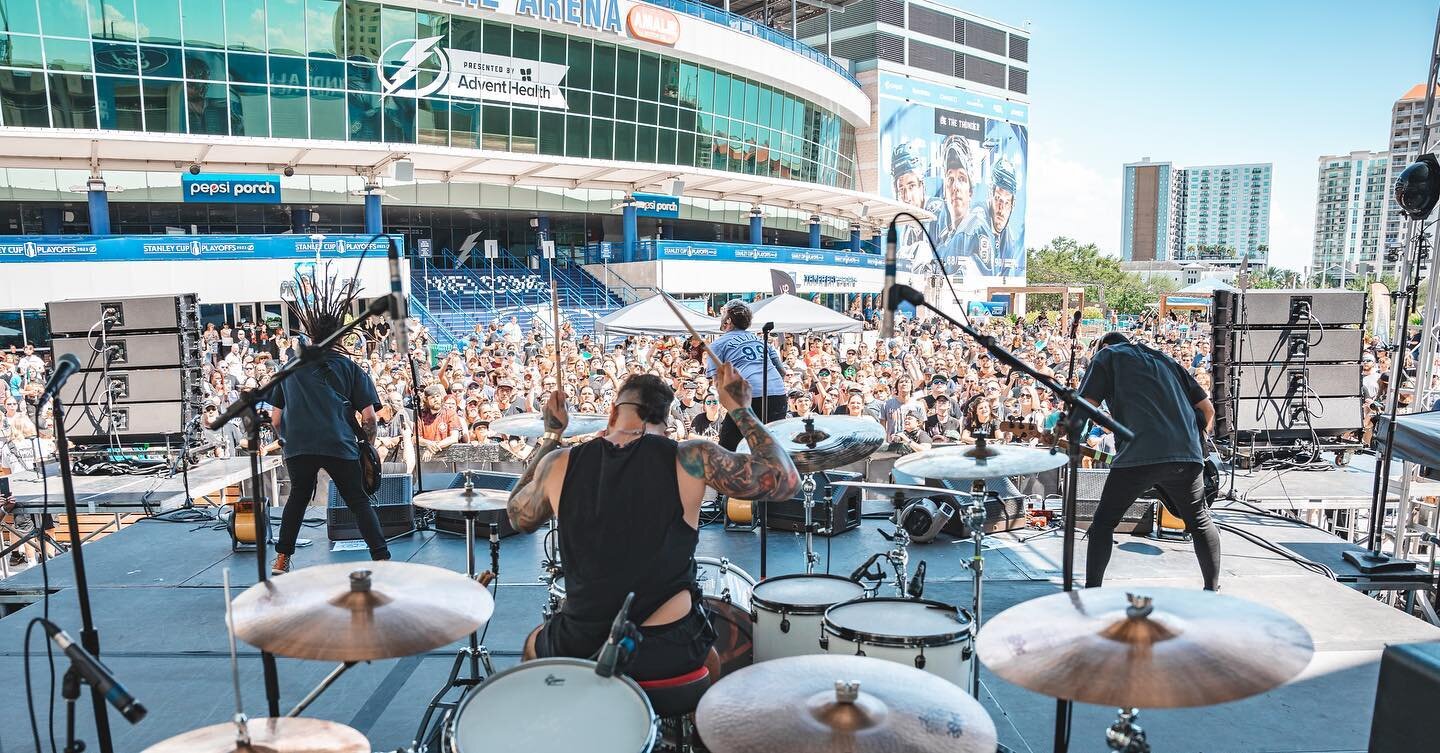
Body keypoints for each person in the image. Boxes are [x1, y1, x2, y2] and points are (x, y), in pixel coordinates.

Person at [507, 365, 800, 681]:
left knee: (532, 644)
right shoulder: (691, 456)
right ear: (666, 418)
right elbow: (785, 480)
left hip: (580, 643)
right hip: (671, 647)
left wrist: (551, 437)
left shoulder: (559, 463)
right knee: (712, 660)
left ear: (613, 412)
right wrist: (740, 410)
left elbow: (517, 515)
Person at [1078, 332, 1221, 591]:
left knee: (1103, 523)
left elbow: (1086, 405)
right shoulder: (1166, 360)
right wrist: (1196, 447)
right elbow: (1207, 410)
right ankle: (1212, 590)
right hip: (1187, 455)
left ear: (1104, 346)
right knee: (1200, 521)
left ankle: (1092, 591)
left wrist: (1103, 425)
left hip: (1139, 454)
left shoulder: (1107, 355)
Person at [268, 278, 391, 574]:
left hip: (299, 446)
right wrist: (368, 446)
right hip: (339, 444)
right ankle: (381, 558)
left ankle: (282, 559)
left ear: (310, 336)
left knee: (297, 498)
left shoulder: (288, 368)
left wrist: (286, 441)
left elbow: (275, 418)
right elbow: (370, 418)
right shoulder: (349, 368)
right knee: (358, 501)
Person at [706, 301, 788, 450]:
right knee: (770, 446)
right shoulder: (762, 341)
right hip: (778, 394)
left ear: (728, 320)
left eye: (723, 313)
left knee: (729, 448)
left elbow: (719, 385)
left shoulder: (717, 345)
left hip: (748, 396)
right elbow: (782, 371)